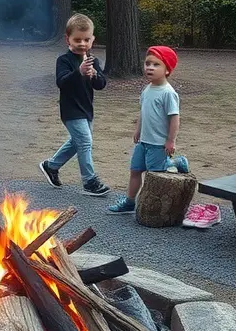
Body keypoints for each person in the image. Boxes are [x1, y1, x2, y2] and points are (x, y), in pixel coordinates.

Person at [108, 45, 189, 214]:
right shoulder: (147, 89)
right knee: (135, 170)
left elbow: (174, 118)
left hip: (158, 143)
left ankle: (175, 162)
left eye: (156, 64)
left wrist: (170, 140)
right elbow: (143, 112)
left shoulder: (168, 93)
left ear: (167, 70)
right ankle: (130, 202)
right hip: (143, 142)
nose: (150, 67)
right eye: (147, 63)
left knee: (154, 175)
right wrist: (138, 129)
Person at [39, 13, 110, 197]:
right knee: (85, 142)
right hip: (70, 110)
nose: (82, 44)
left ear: (93, 39)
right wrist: (78, 72)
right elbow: (61, 82)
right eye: (77, 39)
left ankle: (51, 166)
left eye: (87, 39)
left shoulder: (93, 61)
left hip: (87, 110)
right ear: (67, 39)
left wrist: (94, 74)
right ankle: (89, 181)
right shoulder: (64, 61)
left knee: (76, 142)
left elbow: (101, 85)